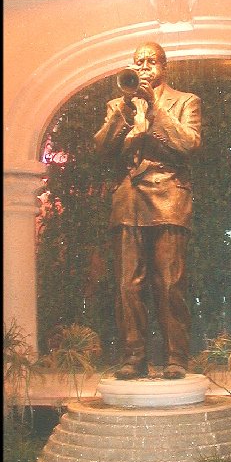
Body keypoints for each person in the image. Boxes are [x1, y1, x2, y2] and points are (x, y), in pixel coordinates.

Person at [94, 42, 201, 379]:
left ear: (164, 67)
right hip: (128, 199)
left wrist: (154, 107)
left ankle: (176, 357)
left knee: (169, 282)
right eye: (138, 61)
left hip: (168, 195)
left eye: (150, 61)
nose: (143, 67)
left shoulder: (185, 101)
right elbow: (102, 147)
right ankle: (134, 357)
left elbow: (188, 143)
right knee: (128, 285)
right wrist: (124, 109)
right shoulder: (118, 104)